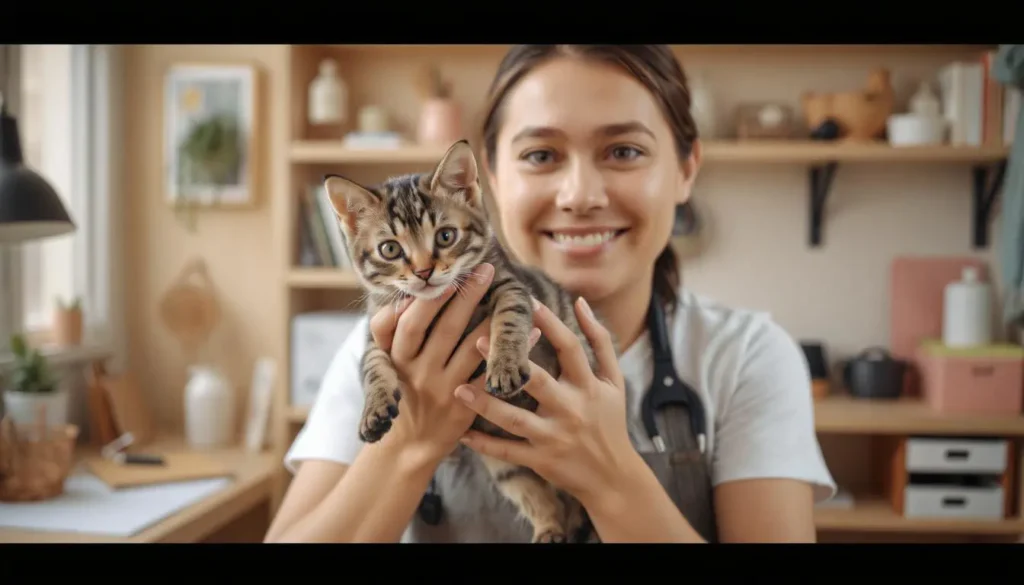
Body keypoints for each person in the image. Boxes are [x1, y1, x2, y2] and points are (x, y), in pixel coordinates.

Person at [265, 44, 836, 544]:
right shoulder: (384, 348)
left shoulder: (748, 357)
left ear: (687, 169)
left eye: (624, 151)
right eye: (540, 155)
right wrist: (410, 444)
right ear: (485, 178)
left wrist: (613, 480)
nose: (580, 195)